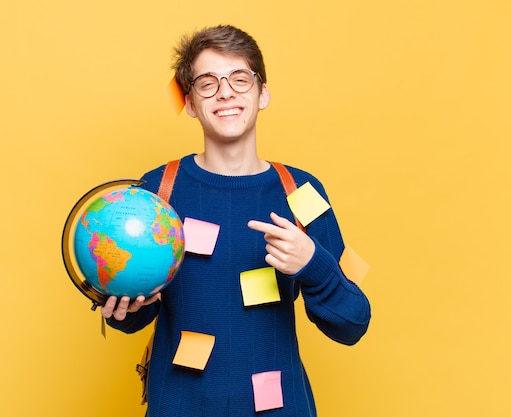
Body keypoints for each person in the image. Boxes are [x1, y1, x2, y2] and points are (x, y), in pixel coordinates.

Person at [101, 24, 371, 417]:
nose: (225, 92)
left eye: (240, 79)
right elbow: (137, 315)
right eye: (207, 83)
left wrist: (312, 265)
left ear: (263, 94)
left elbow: (353, 323)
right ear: (190, 102)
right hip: (179, 406)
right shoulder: (157, 191)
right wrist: (126, 308)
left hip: (281, 407)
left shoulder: (303, 191)